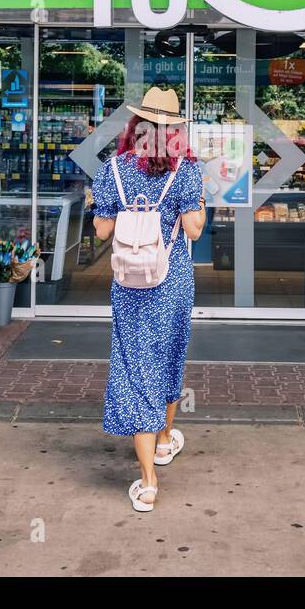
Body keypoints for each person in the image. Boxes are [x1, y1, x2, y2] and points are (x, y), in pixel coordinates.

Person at [91, 87, 206, 512]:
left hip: (129, 283)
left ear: (135, 127)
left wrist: (121, 211)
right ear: (174, 129)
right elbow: (194, 230)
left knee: (135, 368)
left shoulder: (114, 169)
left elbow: (102, 232)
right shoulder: (186, 170)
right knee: (170, 357)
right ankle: (161, 443)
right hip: (172, 281)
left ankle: (148, 483)